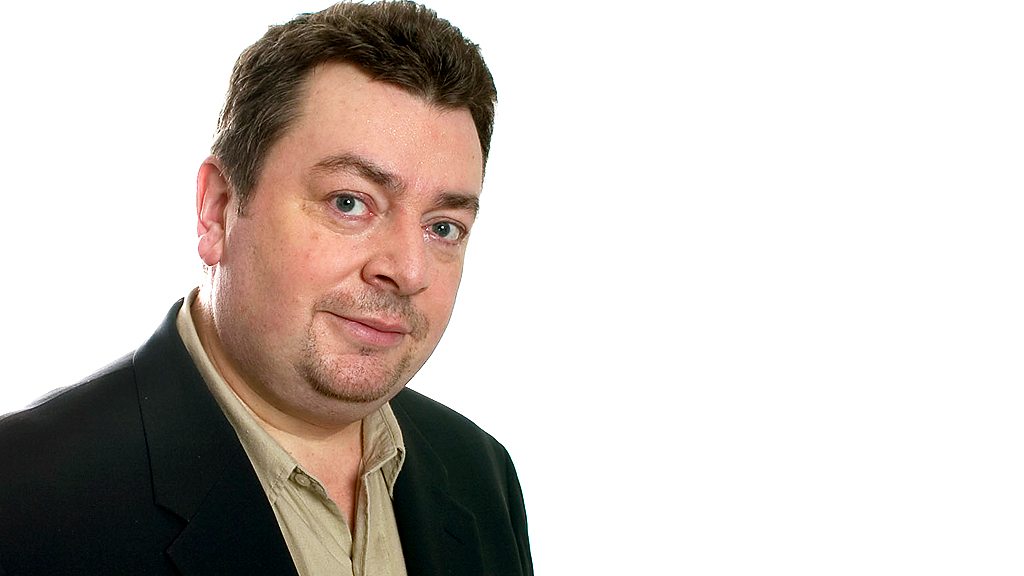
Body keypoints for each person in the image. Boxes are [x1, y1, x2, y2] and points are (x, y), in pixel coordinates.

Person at [0, 2, 532, 575]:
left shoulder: (481, 473)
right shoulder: (23, 498)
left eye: (443, 227)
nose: (408, 270)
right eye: (349, 203)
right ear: (218, 209)